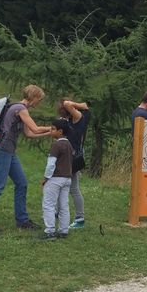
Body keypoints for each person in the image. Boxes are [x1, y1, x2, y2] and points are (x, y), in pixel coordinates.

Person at [0, 84, 52, 232]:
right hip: (2, 150)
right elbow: (35, 128)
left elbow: (29, 134)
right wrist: (55, 128)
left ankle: (22, 221)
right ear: (33, 97)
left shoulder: (20, 109)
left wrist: (50, 133)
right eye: (39, 99)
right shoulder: (20, 109)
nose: (39, 102)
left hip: (10, 152)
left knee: (22, 183)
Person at [58, 97, 90, 229]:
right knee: (60, 184)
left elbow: (67, 103)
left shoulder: (78, 118)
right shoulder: (71, 120)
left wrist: (81, 105)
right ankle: (58, 211)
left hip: (72, 158)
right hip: (66, 157)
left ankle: (80, 218)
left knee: (73, 189)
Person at [40, 118, 74, 240]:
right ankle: (63, 230)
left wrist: (46, 178)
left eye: (53, 129)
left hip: (55, 178)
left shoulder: (56, 145)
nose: (51, 131)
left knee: (49, 204)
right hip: (67, 179)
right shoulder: (69, 144)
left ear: (60, 131)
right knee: (63, 205)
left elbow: (51, 164)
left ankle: (50, 231)